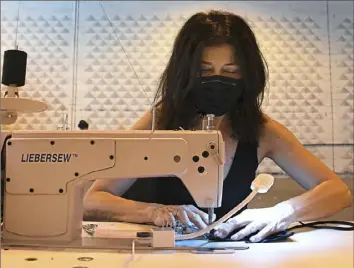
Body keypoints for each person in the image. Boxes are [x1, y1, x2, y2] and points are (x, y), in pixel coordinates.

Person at [83, 10, 352, 242]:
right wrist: (153, 212)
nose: (217, 80)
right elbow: (92, 200)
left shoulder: (262, 131)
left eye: (231, 72)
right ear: (185, 73)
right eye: (204, 71)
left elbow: (337, 191)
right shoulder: (159, 120)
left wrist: (284, 212)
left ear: (247, 75)